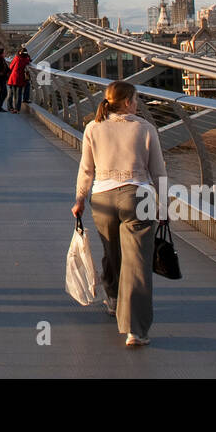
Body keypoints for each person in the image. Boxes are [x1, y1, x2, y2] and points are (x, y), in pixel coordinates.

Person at [72, 81, 167, 347]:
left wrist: (80, 198)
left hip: (102, 198)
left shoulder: (93, 128)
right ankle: (135, 330)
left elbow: (86, 169)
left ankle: (112, 298)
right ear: (127, 102)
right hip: (138, 197)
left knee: (112, 253)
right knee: (137, 264)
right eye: (135, 100)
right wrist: (163, 207)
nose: (137, 104)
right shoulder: (146, 129)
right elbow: (158, 172)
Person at [6, 47, 31, 113]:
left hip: (13, 78)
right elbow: (28, 60)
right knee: (18, 95)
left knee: (11, 93)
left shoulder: (16, 58)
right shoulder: (26, 60)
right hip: (20, 78)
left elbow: (11, 67)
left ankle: (10, 107)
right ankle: (17, 109)